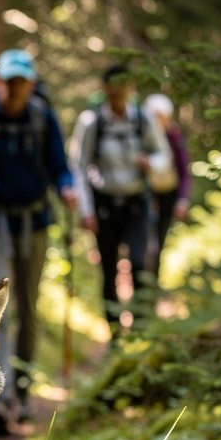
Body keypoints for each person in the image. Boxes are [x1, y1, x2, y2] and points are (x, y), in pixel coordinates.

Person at [0, 48, 79, 430]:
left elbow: (59, 166)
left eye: (22, 82)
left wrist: (67, 188)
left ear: (32, 84)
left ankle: (22, 390)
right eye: (10, 81)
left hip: (34, 222)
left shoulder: (42, 118)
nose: (16, 89)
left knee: (28, 307)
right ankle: (1, 398)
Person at [69, 64, 172, 327]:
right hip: (104, 205)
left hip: (136, 203)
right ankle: (114, 332)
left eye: (124, 86)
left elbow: (164, 155)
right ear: (105, 89)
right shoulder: (91, 122)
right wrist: (86, 211)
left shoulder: (143, 119)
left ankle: (140, 328)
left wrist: (151, 163)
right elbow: (79, 167)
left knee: (139, 263)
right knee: (108, 269)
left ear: (131, 88)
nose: (119, 92)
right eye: (114, 86)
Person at [142, 92, 191, 283]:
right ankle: (140, 280)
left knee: (159, 239)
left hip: (168, 195)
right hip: (146, 193)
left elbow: (183, 170)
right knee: (146, 239)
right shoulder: (142, 137)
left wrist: (183, 199)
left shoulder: (174, 136)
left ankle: (153, 281)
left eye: (160, 117)